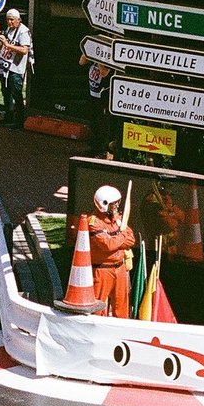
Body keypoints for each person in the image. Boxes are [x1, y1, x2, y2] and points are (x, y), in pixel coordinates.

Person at [88, 184, 136, 318]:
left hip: (120, 268)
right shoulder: (94, 222)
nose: (116, 207)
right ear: (103, 204)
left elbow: (131, 240)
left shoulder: (118, 219)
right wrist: (121, 236)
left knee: (122, 307)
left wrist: (117, 239)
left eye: (117, 204)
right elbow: (107, 245)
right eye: (113, 204)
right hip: (102, 270)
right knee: (98, 308)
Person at [0, 9, 32, 130]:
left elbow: (24, 50)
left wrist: (7, 45)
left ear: (19, 20)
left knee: (16, 94)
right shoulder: (9, 29)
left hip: (16, 69)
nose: (9, 22)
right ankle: (8, 117)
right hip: (5, 66)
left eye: (12, 19)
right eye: (8, 19)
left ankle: (19, 122)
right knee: (5, 92)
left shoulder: (23, 31)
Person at [78, 54, 114, 157]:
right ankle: (93, 148)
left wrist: (98, 58)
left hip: (102, 96)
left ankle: (102, 151)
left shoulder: (107, 58)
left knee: (102, 123)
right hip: (92, 93)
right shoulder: (93, 55)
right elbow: (81, 62)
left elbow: (104, 73)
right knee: (93, 121)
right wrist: (88, 52)